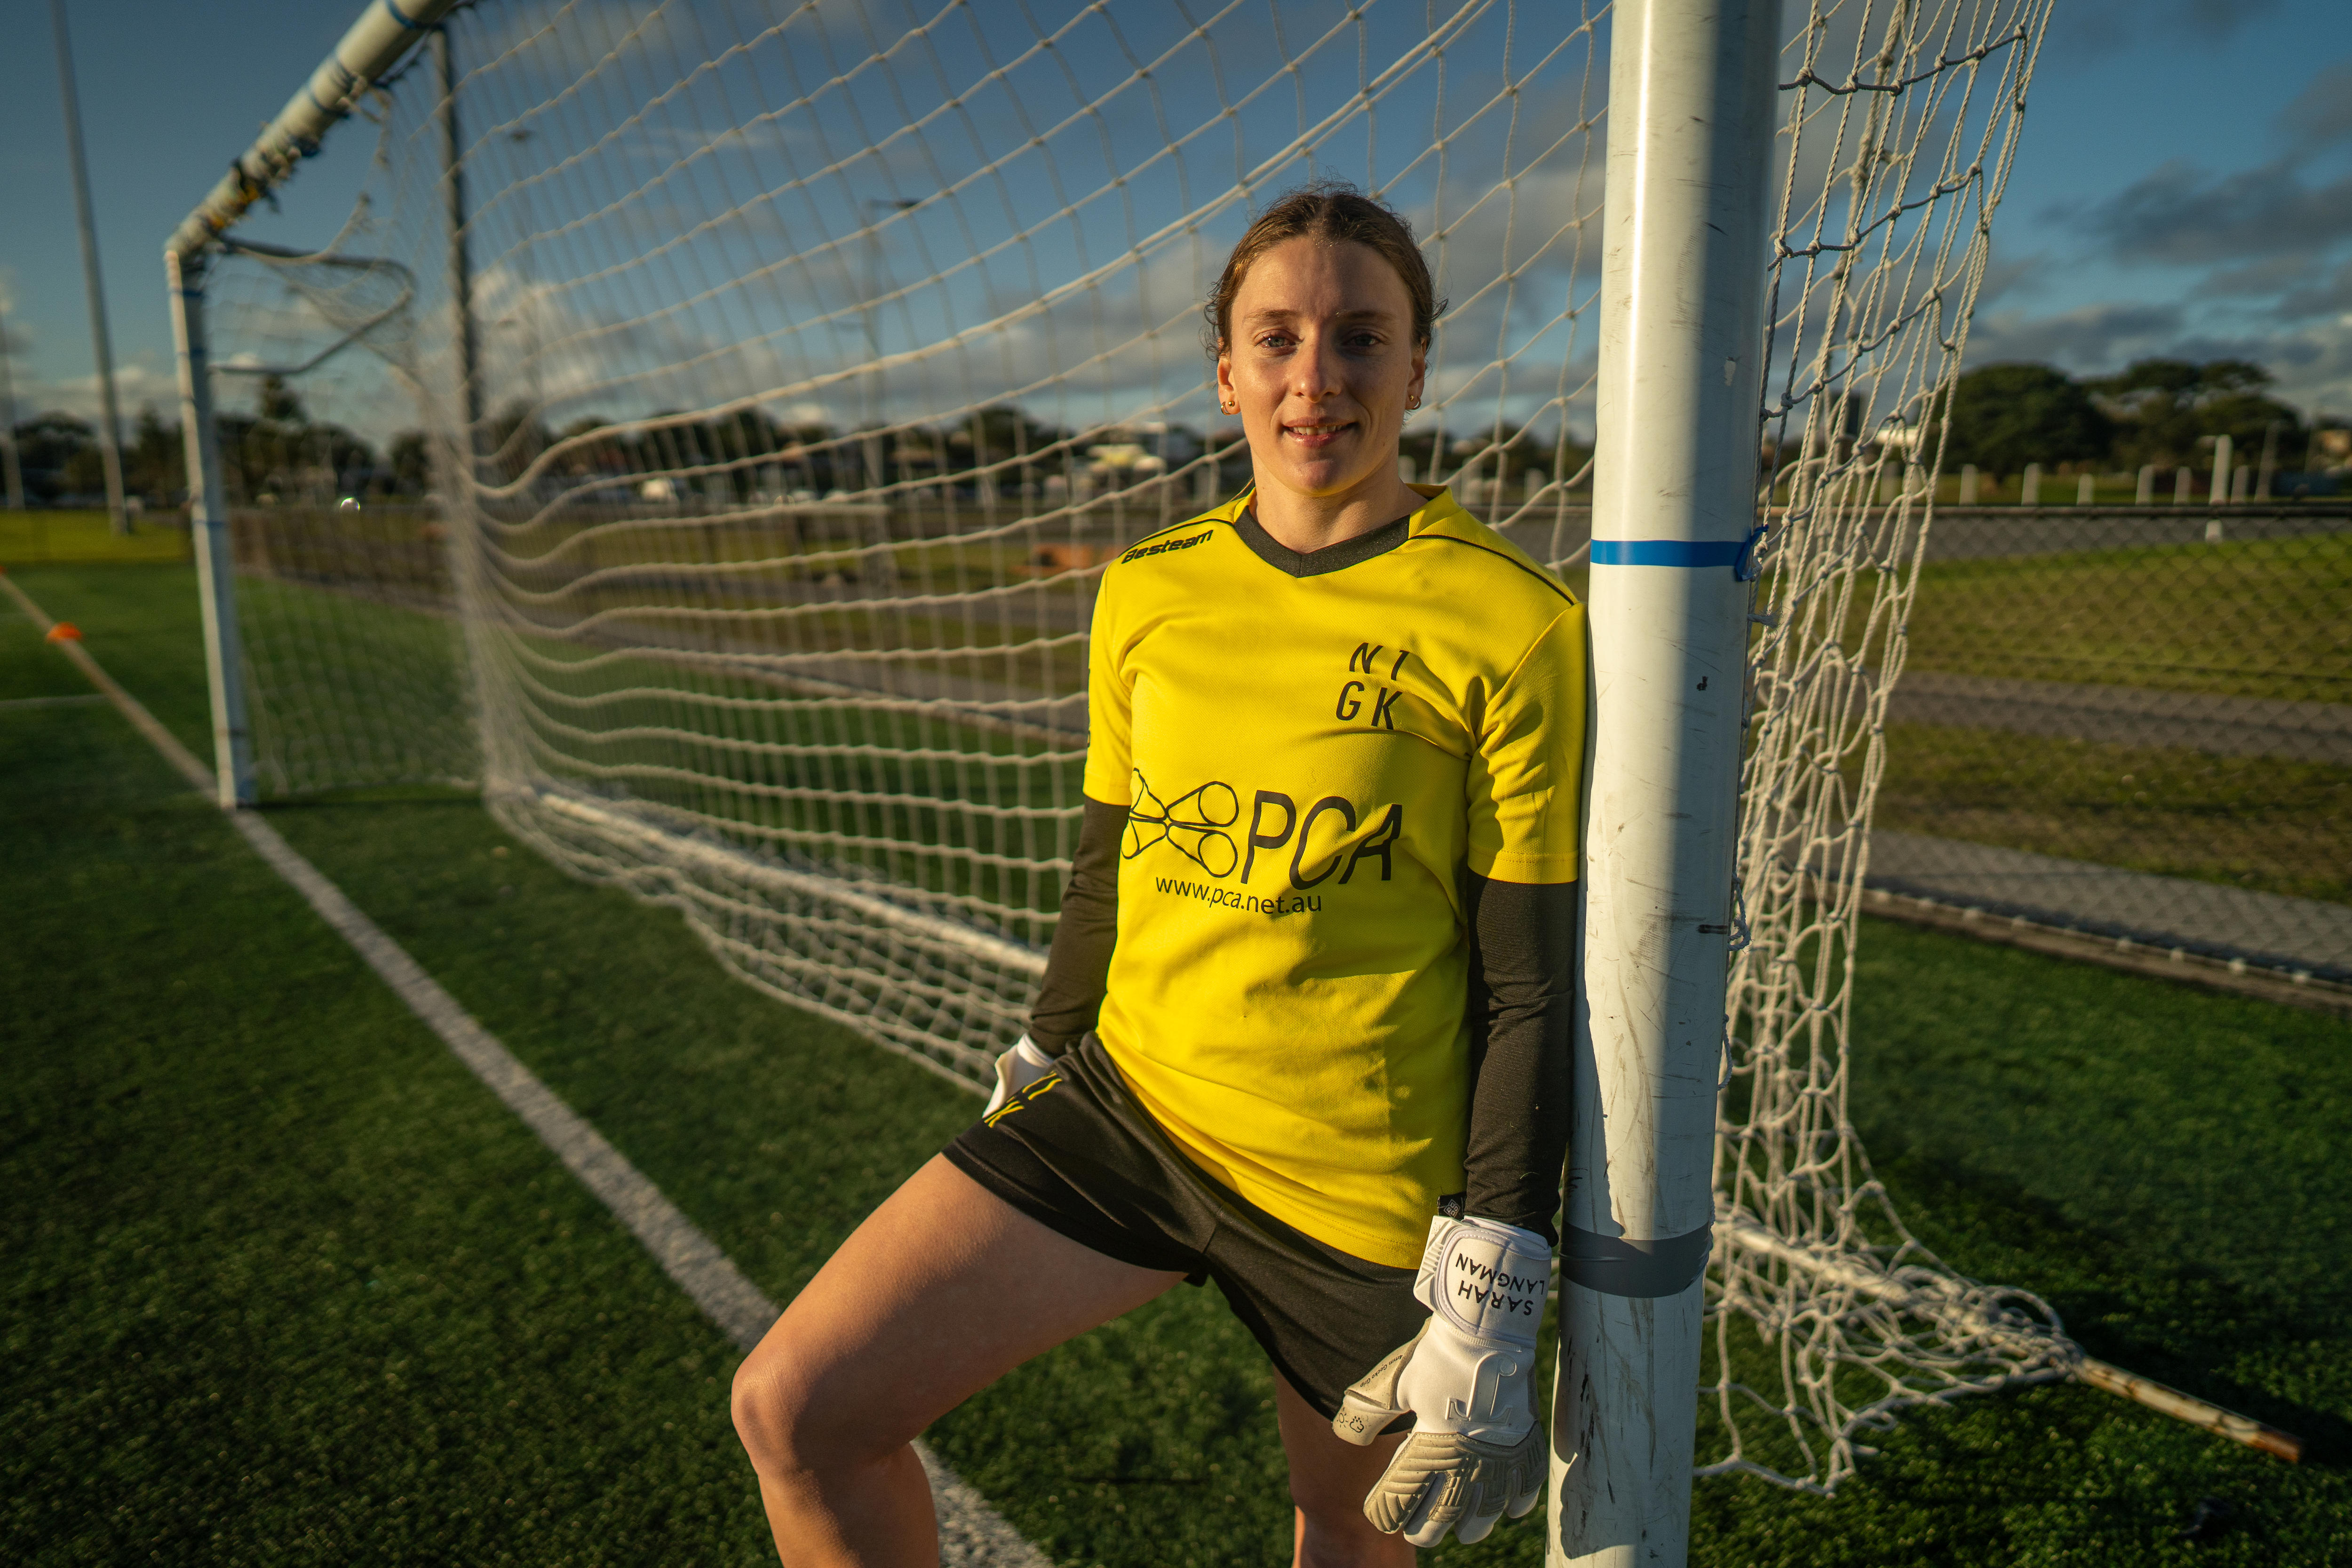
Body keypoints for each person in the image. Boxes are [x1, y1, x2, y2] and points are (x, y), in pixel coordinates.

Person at [731, 183, 1585, 1565]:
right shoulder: (1146, 589)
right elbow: (1108, 864)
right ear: (1227, 371)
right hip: (1131, 1115)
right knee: (799, 1410)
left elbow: (1531, 987)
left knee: (1346, 1532)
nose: (1319, 377)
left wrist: (1494, 1269)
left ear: (1419, 368)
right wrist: (1045, 1043)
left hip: (1353, 1191)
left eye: (1363, 338)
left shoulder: (1512, 624)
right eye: (1280, 338)